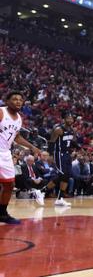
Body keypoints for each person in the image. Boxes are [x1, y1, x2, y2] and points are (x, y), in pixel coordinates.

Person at [0, 91, 41, 223]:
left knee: (10, 185)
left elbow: (16, 137)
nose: (18, 101)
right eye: (14, 99)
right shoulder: (1, 112)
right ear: (7, 101)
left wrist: (32, 147)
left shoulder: (18, 118)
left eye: (20, 99)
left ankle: (2, 214)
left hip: (5, 153)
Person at [48, 111, 77, 207]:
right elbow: (51, 142)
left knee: (66, 176)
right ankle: (43, 191)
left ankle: (59, 199)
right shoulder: (58, 129)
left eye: (71, 118)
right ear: (64, 119)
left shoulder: (72, 130)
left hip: (67, 155)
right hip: (59, 154)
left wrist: (80, 149)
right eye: (68, 118)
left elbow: (71, 143)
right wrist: (50, 155)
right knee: (63, 175)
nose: (70, 120)